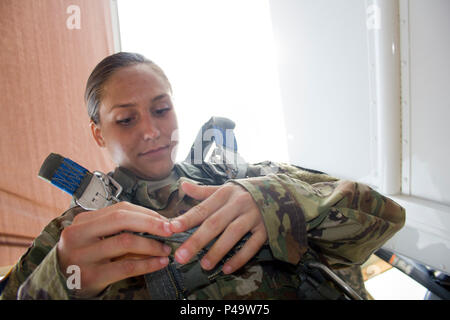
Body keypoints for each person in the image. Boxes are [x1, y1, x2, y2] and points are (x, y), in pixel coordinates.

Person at [0, 52, 405, 300]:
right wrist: (59, 284)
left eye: (161, 110)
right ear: (97, 132)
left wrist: (277, 202)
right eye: (126, 119)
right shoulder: (71, 238)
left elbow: (384, 219)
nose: (152, 131)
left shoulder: (240, 176)